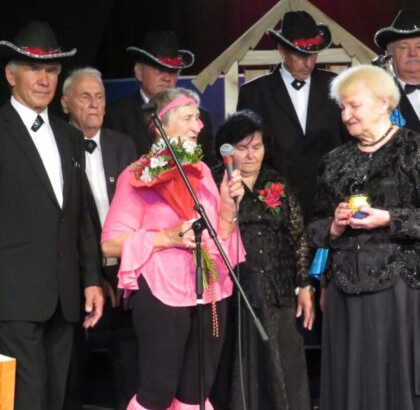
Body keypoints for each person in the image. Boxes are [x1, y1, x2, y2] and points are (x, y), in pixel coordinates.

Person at [101, 87, 245, 410]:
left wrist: (227, 205)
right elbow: (110, 243)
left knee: (196, 391)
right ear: (161, 126)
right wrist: (167, 237)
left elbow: (220, 235)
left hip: (208, 289)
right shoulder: (136, 175)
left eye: (198, 118)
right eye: (188, 118)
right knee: (159, 392)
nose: (198, 126)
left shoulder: (203, 172)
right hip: (161, 292)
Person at [0, 21, 104, 410]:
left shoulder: (70, 137)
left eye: (51, 70)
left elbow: (80, 217)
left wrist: (91, 279)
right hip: (13, 298)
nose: (44, 79)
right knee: (23, 399)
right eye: (33, 69)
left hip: (64, 297)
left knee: (56, 398)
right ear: (10, 75)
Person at [308, 64, 420, 410]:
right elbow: (313, 225)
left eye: (354, 105)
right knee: (349, 384)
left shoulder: (413, 150)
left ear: (384, 103)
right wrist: (334, 225)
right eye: (342, 107)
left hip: (398, 286)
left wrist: (388, 218)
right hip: (343, 288)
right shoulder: (334, 160)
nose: (346, 115)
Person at [212, 110, 315, 410]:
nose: (251, 155)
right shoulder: (217, 183)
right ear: (227, 150)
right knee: (240, 366)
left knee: (284, 364)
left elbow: (298, 237)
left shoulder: (276, 182)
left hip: (277, 288)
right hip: (236, 291)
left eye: (257, 146)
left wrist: (304, 284)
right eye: (242, 148)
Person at [61, 67, 138, 410]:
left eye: (100, 96)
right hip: (77, 277)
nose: (95, 104)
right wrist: (92, 275)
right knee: (71, 374)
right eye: (85, 96)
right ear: (65, 103)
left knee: (129, 368)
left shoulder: (123, 144)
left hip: (123, 272)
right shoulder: (57, 146)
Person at [237, 11, 347, 221]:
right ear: (282, 50)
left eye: (313, 55)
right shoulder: (254, 93)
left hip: (331, 204)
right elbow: (244, 151)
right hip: (275, 206)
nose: (308, 63)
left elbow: (349, 142)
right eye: (300, 55)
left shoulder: (336, 85)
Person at [104, 30, 216, 165]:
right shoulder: (115, 115)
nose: (167, 78)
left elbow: (210, 166)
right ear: (139, 71)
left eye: (173, 71)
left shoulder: (200, 117)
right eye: (159, 70)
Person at [374, 9, 420, 132]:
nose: (413, 53)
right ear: (388, 55)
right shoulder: (376, 98)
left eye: (419, 47)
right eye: (403, 47)